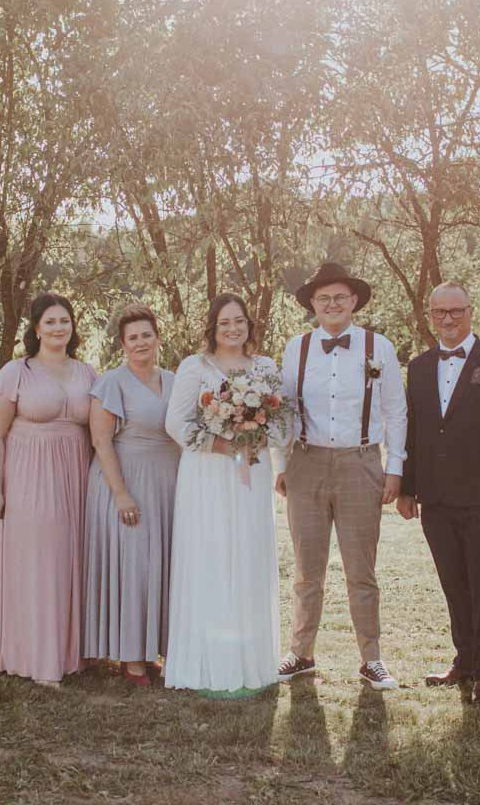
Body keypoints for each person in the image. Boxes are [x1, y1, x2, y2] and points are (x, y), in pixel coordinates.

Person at [273, 262, 408, 690]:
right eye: (323, 298)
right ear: (313, 304)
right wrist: (281, 465)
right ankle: (300, 653)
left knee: (360, 569)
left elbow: (396, 411)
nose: (332, 304)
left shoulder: (378, 346)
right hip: (306, 463)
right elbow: (283, 410)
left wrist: (395, 468)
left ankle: (372, 659)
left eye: (339, 297)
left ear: (353, 301)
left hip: (360, 464)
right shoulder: (296, 348)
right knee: (306, 569)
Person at [397, 281, 480, 705]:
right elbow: (414, 432)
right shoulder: (418, 367)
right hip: (435, 499)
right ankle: (465, 662)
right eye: (440, 312)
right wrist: (407, 488)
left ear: (470, 312)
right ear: (430, 316)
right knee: (454, 586)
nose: (448, 319)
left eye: (456, 311)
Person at [0, 292, 96, 685]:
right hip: (28, 479)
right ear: (36, 328)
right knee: (39, 563)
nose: (58, 328)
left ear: (73, 326)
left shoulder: (88, 373)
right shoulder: (15, 373)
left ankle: (69, 653)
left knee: (68, 561)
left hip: (76, 478)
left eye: (64, 320)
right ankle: (37, 657)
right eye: (50, 321)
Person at [162, 293, 286, 695]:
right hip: (208, 473)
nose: (233, 329)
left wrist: (256, 437)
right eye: (224, 322)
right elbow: (176, 424)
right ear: (212, 328)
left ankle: (251, 662)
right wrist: (222, 444)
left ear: (249, 324)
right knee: (211, 552)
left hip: (252, 471)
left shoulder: (265, 367)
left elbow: (285, 424)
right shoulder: (194, 367)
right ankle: (208, 663)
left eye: (239, 321)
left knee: (248, 550)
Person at [82, 304, 179, 686]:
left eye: (146, 335)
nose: (140, 342)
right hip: (126, 481)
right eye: (132, 337)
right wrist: (121, 494)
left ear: (158, 338)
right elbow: (101, 441)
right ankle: (131, 658)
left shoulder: (174, 380)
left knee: (162, 565)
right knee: (135, 566)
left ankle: (154, 649)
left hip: (168, 483)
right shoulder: (112, 383)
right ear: (122, 344)